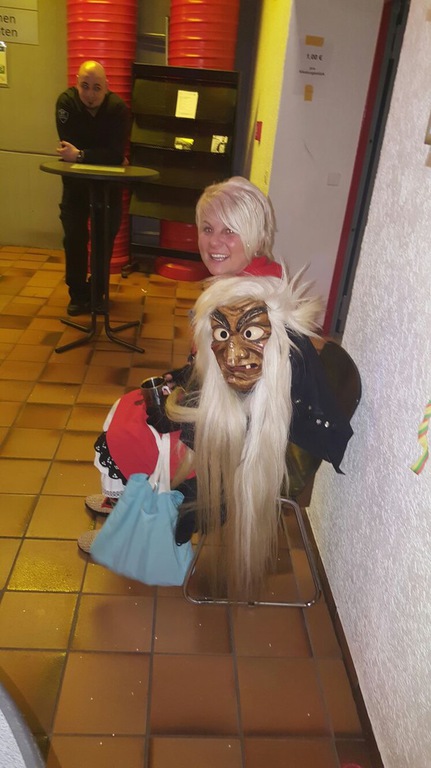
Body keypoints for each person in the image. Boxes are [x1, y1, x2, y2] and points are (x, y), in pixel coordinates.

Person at [78, 175, 353, 553]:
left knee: (130, 426)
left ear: (256, 234)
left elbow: (236, 404)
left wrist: (174, 409)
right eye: (207, 229)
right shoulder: (258, 276)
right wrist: (179, 382)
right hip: (239, 417)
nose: (213, 242)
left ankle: (137, 531)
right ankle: (126, 503)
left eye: (229, 231)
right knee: (135, 405)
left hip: (236, 440)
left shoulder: (245, 307)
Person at [166, 273, 322, 598]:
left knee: (142, 446)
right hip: (215, 450)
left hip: (230, 465)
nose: (233, 356)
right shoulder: (220, 375)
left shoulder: (295, 392)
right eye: (222, 334)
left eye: (250, 334)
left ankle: (139, 524)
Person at [55, 60, 129, 316]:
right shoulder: (66, 103)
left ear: (107, 87)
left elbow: (115, 154)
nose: (90, 94)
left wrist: (81, 154)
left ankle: (98, 294)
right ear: (76, 83)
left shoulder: (118, 109)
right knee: (74, 239)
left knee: (102, 242)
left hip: (107, 188)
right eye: (84, 86)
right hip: (75, 186)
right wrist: (104, 155)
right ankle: (77, 295)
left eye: (97, 88)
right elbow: (68, 149)